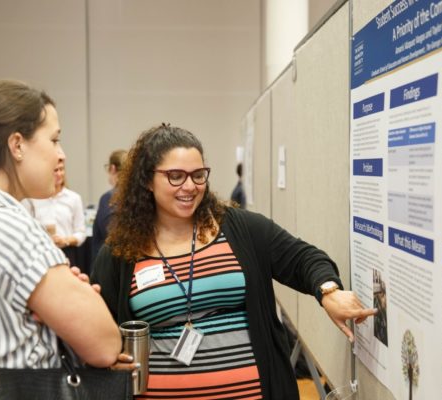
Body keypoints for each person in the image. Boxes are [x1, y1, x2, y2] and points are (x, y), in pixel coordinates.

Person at [91, 124, 376, 399]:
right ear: (146, 180)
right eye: (175, 176)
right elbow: (97, 326)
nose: (190, 186)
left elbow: (304, 258)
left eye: (198, 175)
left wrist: (328, 291)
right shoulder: (121, 253)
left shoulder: (241, 229)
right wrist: (110, 358)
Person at [0, 80, 121, 377]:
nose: (61, 155)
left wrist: (52, 309)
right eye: (54, 140)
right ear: (17, 145)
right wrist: (81, 301)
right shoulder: (11, 227)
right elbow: (106, 345)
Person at [24, 157, 87, 270]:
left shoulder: (74, 198)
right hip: (42, 254)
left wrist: (65, 241)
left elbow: (81, 233)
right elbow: (27, 231)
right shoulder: (34, 199)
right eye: (55, 170)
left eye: (61, 169)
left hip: (68, 252)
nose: (59, 174)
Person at [91, 149, 128, 263]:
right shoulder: (135, 195)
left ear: (112, 168)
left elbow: (109, 235)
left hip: (110, 263)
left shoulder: (109, 198)